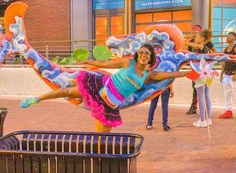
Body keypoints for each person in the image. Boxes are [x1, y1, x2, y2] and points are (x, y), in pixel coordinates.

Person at [20, 44, 191, 130]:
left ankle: (101, 157)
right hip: (100, 88)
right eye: (142, 52)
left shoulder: (149, 76)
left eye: (148, 53)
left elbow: (170, 75)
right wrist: (88, 62)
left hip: (111, 104)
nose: (144, 54)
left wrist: (186, 73)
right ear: (138, 54)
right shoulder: (128, 62)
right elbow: (104, 63)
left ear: (150, 58)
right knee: (66, 91)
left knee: (104, 135)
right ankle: (36, 99)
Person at [187, 30, 212, 127]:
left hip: (201, 74)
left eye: (197, 37)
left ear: (202, 38)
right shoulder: (207, 48)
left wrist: (185, 42)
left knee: (201, 96)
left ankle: (202, 120)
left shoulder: (201, 46)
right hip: (207, 74)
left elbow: (191, 44)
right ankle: (208, 119)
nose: (195, 38)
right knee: (206, 95)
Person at [219, 32, 236, 119]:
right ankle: (228, 111)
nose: (227, 38)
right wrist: (221, 74)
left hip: (234, 74)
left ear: (234, 37)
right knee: (227, 94)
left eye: (229, 36)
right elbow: (224, 62)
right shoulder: (225, 49)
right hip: (226, 74)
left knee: (235, 94)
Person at [186, 25, 202, 115]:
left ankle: (201, 107)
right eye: (192, 30)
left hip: (203, 68)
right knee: (195, 87)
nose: (193, 32)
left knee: (202, 88)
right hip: (194, 67)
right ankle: (194, 106)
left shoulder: (204, 41)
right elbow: (189, 54)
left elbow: (212, 51)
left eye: (196, 30)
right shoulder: (191, 41)